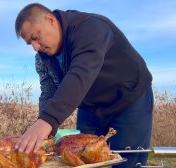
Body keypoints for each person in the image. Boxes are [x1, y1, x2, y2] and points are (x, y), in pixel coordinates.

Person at [14, 3, 153, 167]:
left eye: (35, 37)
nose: (35, 47)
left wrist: (47, 120)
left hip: (129, 100)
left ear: (50, 20)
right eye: (30, 43)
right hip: (89, 109)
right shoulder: (42, 57)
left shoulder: (91, 27)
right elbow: (48, 92)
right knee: (79, 161)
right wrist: (45, 131)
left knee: (128, 161)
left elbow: (81, 74)